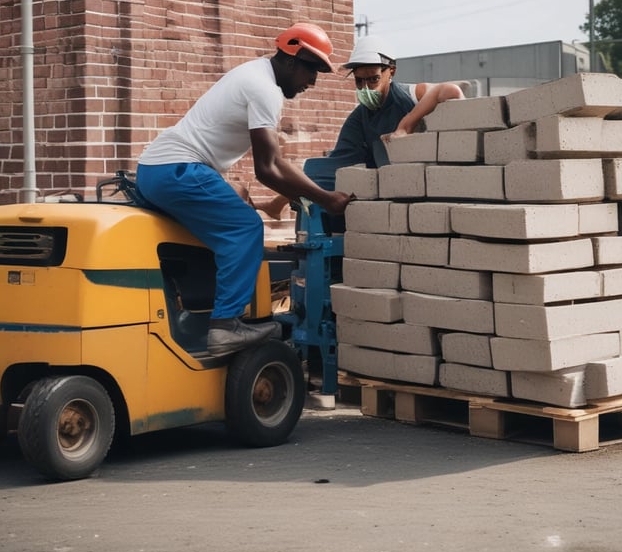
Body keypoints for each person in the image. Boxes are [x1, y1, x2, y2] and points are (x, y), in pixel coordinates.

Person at [136, 22, 353, 357]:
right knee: (245, 227)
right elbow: (268, 169)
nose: (312, 82)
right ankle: (224, 326)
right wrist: (326, 199)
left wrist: (298, 197)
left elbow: (270, 165)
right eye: (312, 71)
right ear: (292, 59)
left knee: (228, 221)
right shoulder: (264, 89)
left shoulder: (253, 74)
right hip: (176, 170)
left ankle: (198, 318)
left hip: (162, 170)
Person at [247, 35, 465, 218]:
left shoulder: (412, 96)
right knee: (317, 170)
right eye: (359, 82)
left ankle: (277, 205)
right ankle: (279, 204)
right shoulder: (359, 119)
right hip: (388, 194)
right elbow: (334, 167)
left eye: (373, 80)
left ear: (392, 72)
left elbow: (450, 91)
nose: (366, 88)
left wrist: (405, 127)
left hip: (428, 189)